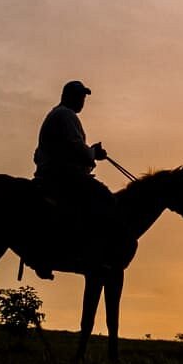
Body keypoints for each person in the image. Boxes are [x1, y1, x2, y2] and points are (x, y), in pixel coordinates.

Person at [31, 81, 117, 279]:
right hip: (62, 174)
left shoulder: (57, 114)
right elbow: (75, 147)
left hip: (54, 172)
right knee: (103, 198)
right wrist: (93, 152)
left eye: (83, 98)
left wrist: (91, 152)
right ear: (70, 96)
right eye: (80, 97)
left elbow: (72, 148)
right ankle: (91, 254)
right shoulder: (65, 115)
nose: (82, 101)